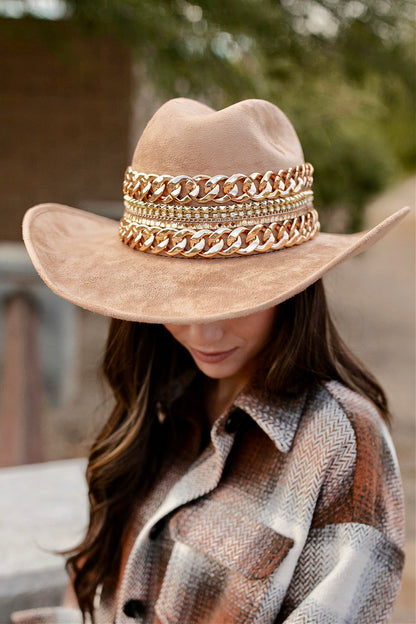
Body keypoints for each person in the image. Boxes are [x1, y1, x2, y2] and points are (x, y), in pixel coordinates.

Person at [20, 98, 407, 624]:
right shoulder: (157, 407)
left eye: (236, 299)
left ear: (295, 290)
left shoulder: (341, 446)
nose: (203, 332)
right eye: (174, 298)